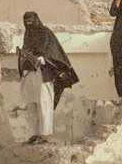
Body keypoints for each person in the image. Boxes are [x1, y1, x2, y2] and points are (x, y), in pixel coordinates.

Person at [17, 11, 79, 145]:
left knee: (43, 104)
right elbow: (26, 50)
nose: (29, 24)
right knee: (31, 104)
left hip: (42, 74)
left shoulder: (45, 33)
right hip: (29, 73)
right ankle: (34, 134)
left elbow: (54, 53)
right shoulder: (27, 34)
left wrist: (42, 59)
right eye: (26, 22)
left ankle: (44, 135)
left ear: (36, 20)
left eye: (31, 21)